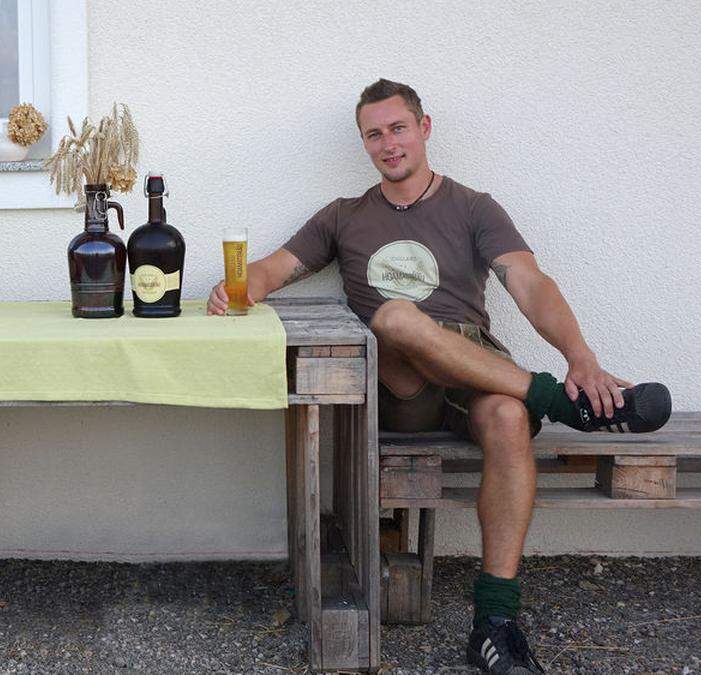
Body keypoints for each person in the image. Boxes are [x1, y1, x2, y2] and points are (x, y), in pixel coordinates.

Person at [208, 79, 671, 674]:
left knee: (506, 416)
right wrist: (238, 288)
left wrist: (580, 354)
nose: (387, 143)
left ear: (424, 128)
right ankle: (559, 400)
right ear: (365, 145)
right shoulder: (345, 216)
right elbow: (275, 267)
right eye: (373, 134)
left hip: (475, 369)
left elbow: (529, 283)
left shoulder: (473, 207)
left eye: (397, 128)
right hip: (402, 388)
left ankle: (496, 623)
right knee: (396, 315)